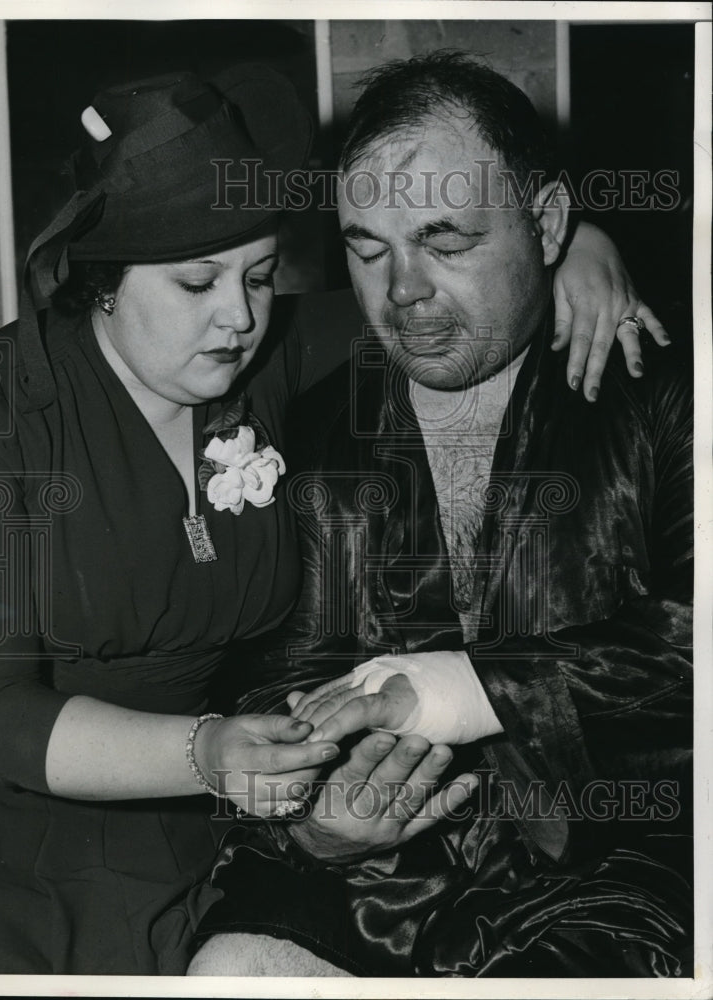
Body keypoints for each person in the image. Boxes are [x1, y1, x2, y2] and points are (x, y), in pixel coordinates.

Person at [0, 61, 664, 976]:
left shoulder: (264, 362)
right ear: (101, 281)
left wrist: (579, 246)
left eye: (258, 276)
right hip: (25, 854)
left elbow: (442, 299)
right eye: (197, 284)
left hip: (221, 838)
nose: (240, 318)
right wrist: (206, 753)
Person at [185, 52, 693, 978]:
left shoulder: (664, 398)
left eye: (446, 242)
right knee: (231, 967)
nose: (403, 291)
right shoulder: (318, 426)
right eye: (368, 250)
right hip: (379, 882)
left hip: (625, 876)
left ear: (546, 225)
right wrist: (312, 820)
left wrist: (460, 689)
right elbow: (276, 673)